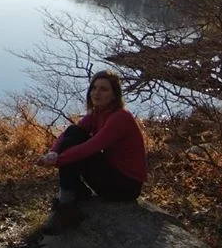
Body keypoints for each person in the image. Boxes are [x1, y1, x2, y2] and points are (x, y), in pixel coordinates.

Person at [37, 70, 147, 231]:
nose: (96, 93)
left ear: (115, 95)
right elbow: (71, 132)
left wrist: (58, 161)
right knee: (75, 132)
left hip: (126, 186)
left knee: (78, 151)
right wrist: (53, 153)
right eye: (94, 88)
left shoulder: (120, 117)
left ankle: (66, 206)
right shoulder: (97, 113)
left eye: (104, 89)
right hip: (111, 175)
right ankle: (74, 195)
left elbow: (91, 147)